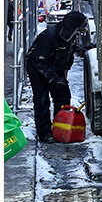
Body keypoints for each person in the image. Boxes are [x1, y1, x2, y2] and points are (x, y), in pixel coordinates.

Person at [25, 11, 89, 143]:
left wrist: (62, 77)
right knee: (42, 100)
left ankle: (61, 126)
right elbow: (38, 60)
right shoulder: (48, 36)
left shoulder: (70, 38)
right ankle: (44, 133)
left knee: (63, 94)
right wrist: (53, 78)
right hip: (37, 68)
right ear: (72, 27)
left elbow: (68, 57)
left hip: (56, 67)